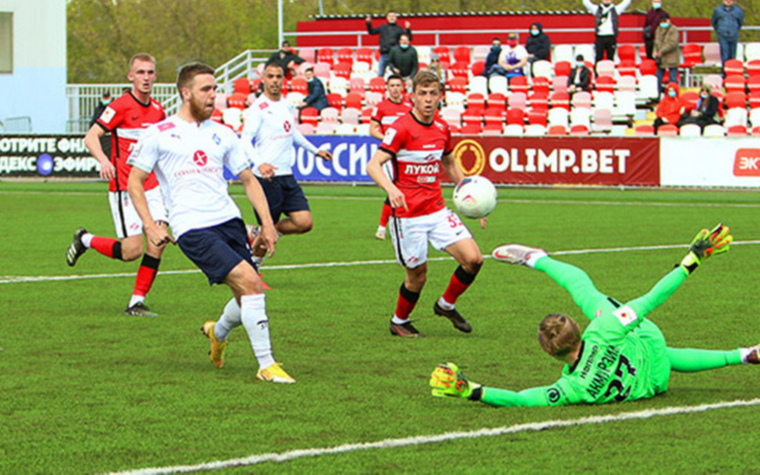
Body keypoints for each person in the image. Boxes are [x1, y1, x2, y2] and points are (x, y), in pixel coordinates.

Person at [431, 225, 760, 407]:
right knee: (587, 292)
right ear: (577, 327)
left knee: (662, 355)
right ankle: (538, 259)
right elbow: (653, 297)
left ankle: (746, 355)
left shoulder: (572, 387)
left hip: (655, 382)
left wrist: (473, 389)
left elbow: (521, 399)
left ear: (550, 351)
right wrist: (692, 260)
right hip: (645, 344)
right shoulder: (603, 328)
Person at [126, 62, 294, 384]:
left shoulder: (223, 133)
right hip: (192, 227)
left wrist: (268, 225)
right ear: (186, 92)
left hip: (229, 220)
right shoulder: (159, 134)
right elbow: (135, 180)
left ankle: (216, 333)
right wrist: (150, 224)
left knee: (245, 293)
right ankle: (266, 364)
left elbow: (248, 179)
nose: (213, 96)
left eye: (215, 90)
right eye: (206, 90)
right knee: (251, 282)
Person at [367, 71, 485, 338]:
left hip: (437, 210)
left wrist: (473, 198)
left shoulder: (442, 128)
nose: (428, 99)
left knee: (474, 259)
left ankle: (446, 305)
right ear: (413, 97)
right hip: (407, 217)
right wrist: (391, 189)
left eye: (433, 93)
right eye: (423, 93)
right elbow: (373, 165)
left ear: (440, 96)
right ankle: (399, 321)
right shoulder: (401, 128)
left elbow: (450, 163)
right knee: (418, 276)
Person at [69, 53, 167, 317]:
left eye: (150, 72)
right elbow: (92, 136)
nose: (146, 77)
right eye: (140, 72)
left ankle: (136, 301)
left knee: (158, 240)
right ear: (130, 76)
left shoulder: (158, 110)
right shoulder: (120, 106)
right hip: (124, 187)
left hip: (152, 186)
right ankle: (85, 239)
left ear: (155, 76)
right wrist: (103, 160)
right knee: (131, 251)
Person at [241, 60, 333, 274]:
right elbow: (245, 140)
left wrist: (315, 151)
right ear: (263, 79)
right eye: (270, 76)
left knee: (304, 222)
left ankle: (260, 231)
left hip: (286, 175)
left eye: (278, 77)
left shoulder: (287, 104)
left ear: (284, 79)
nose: (274, 81)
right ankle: (251, 273)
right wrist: (259, 163)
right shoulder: (258, 109)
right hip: (267, 178)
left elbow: (293, 132)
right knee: (267, 236)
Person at [369, 74, 413, 240]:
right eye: (392, 85)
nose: (395, 88)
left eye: (397, 85)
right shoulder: (381, 107)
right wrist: (388, 140)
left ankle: (398, 223)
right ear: (387, 88)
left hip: (405, 153)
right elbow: (373, 130)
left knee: (403, 187)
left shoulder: (409, 107)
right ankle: (382, 227)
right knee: (394, 187)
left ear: (402, 88)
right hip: (389, 153)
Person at [582, 0, 632, 65]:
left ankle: (610, 74)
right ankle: (597, 74)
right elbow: (586, 2)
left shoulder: (616, 9)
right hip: (600, 37)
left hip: (611, 37)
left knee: (610, 59)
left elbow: (627, 2)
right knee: (598, 58)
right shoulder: (597, 9)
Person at [366, 11, 412, 77]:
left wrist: (408, 29)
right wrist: (368, 23)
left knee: (397, 74)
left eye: (393, 16)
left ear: (396, 18)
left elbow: (409, 38)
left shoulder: (399, 29)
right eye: (390, 16)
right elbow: (372, 32)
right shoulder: (383, 28)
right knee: (380, 74)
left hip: (395, 55)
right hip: (384, 55)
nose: (392, 18)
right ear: (387, 18)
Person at [712, 0, 744, 74]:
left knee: (733, 56)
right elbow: (714, 22)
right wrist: (720, 31)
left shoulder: (738, 11)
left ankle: (733, 74)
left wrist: (734, 30)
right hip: (723, 36)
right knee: (725, 56)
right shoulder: (718, 11)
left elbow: (740, 22)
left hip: (734, 35)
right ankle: (725, 74)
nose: (729, 1)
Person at [653, 13, 680, 95]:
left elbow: (672, 43)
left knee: (672, 79)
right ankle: (657, 94)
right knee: (657, 78)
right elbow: (656, 42)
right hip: (661, 60)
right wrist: (655, 51)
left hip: (672, 58)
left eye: (665, 21)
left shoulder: (674, 30)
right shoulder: (658, 30)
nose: (663, 23)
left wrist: (662, 51)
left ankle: (673, 95)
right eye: (662, 21)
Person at [89, 91, 113, 158]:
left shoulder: (113, 108)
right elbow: (94, 121)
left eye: (107, 97)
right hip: (100, 137)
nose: (106, 99)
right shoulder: (98, 109)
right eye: (104, 97)